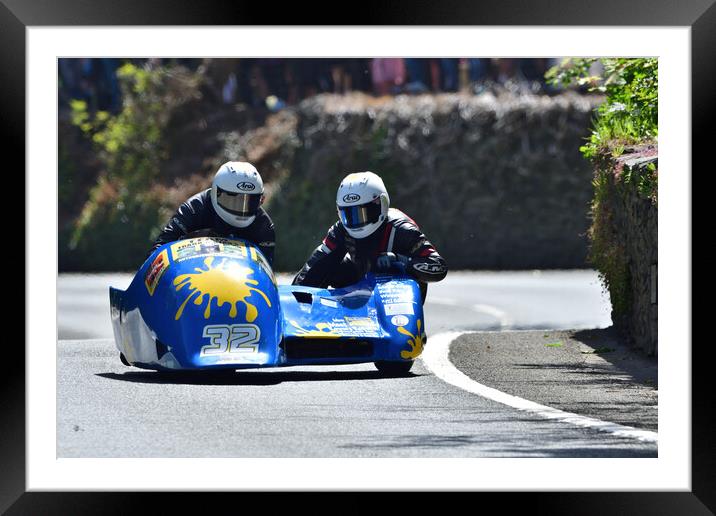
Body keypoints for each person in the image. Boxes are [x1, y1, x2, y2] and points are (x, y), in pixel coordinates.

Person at [292, 171, 447, 301]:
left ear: (382, 204)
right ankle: (316, 320)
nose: (356, 221)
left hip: (398, 294)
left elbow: (438, 266)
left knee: (394, 269)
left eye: (363, 213)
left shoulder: (402, 229)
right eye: (349, 214)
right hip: (361, 280)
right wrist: (296, 300)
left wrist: (400, 261)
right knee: (325, 265)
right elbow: (313, 267)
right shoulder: (340, 230)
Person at [150, 161, 276, 265]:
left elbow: (265, 270)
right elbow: (158, 250)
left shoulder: (264, 226)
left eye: (250, 201)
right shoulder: (194, 209)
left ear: (261, 200)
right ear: (215, 193)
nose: (241, 208)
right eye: (232, 199)